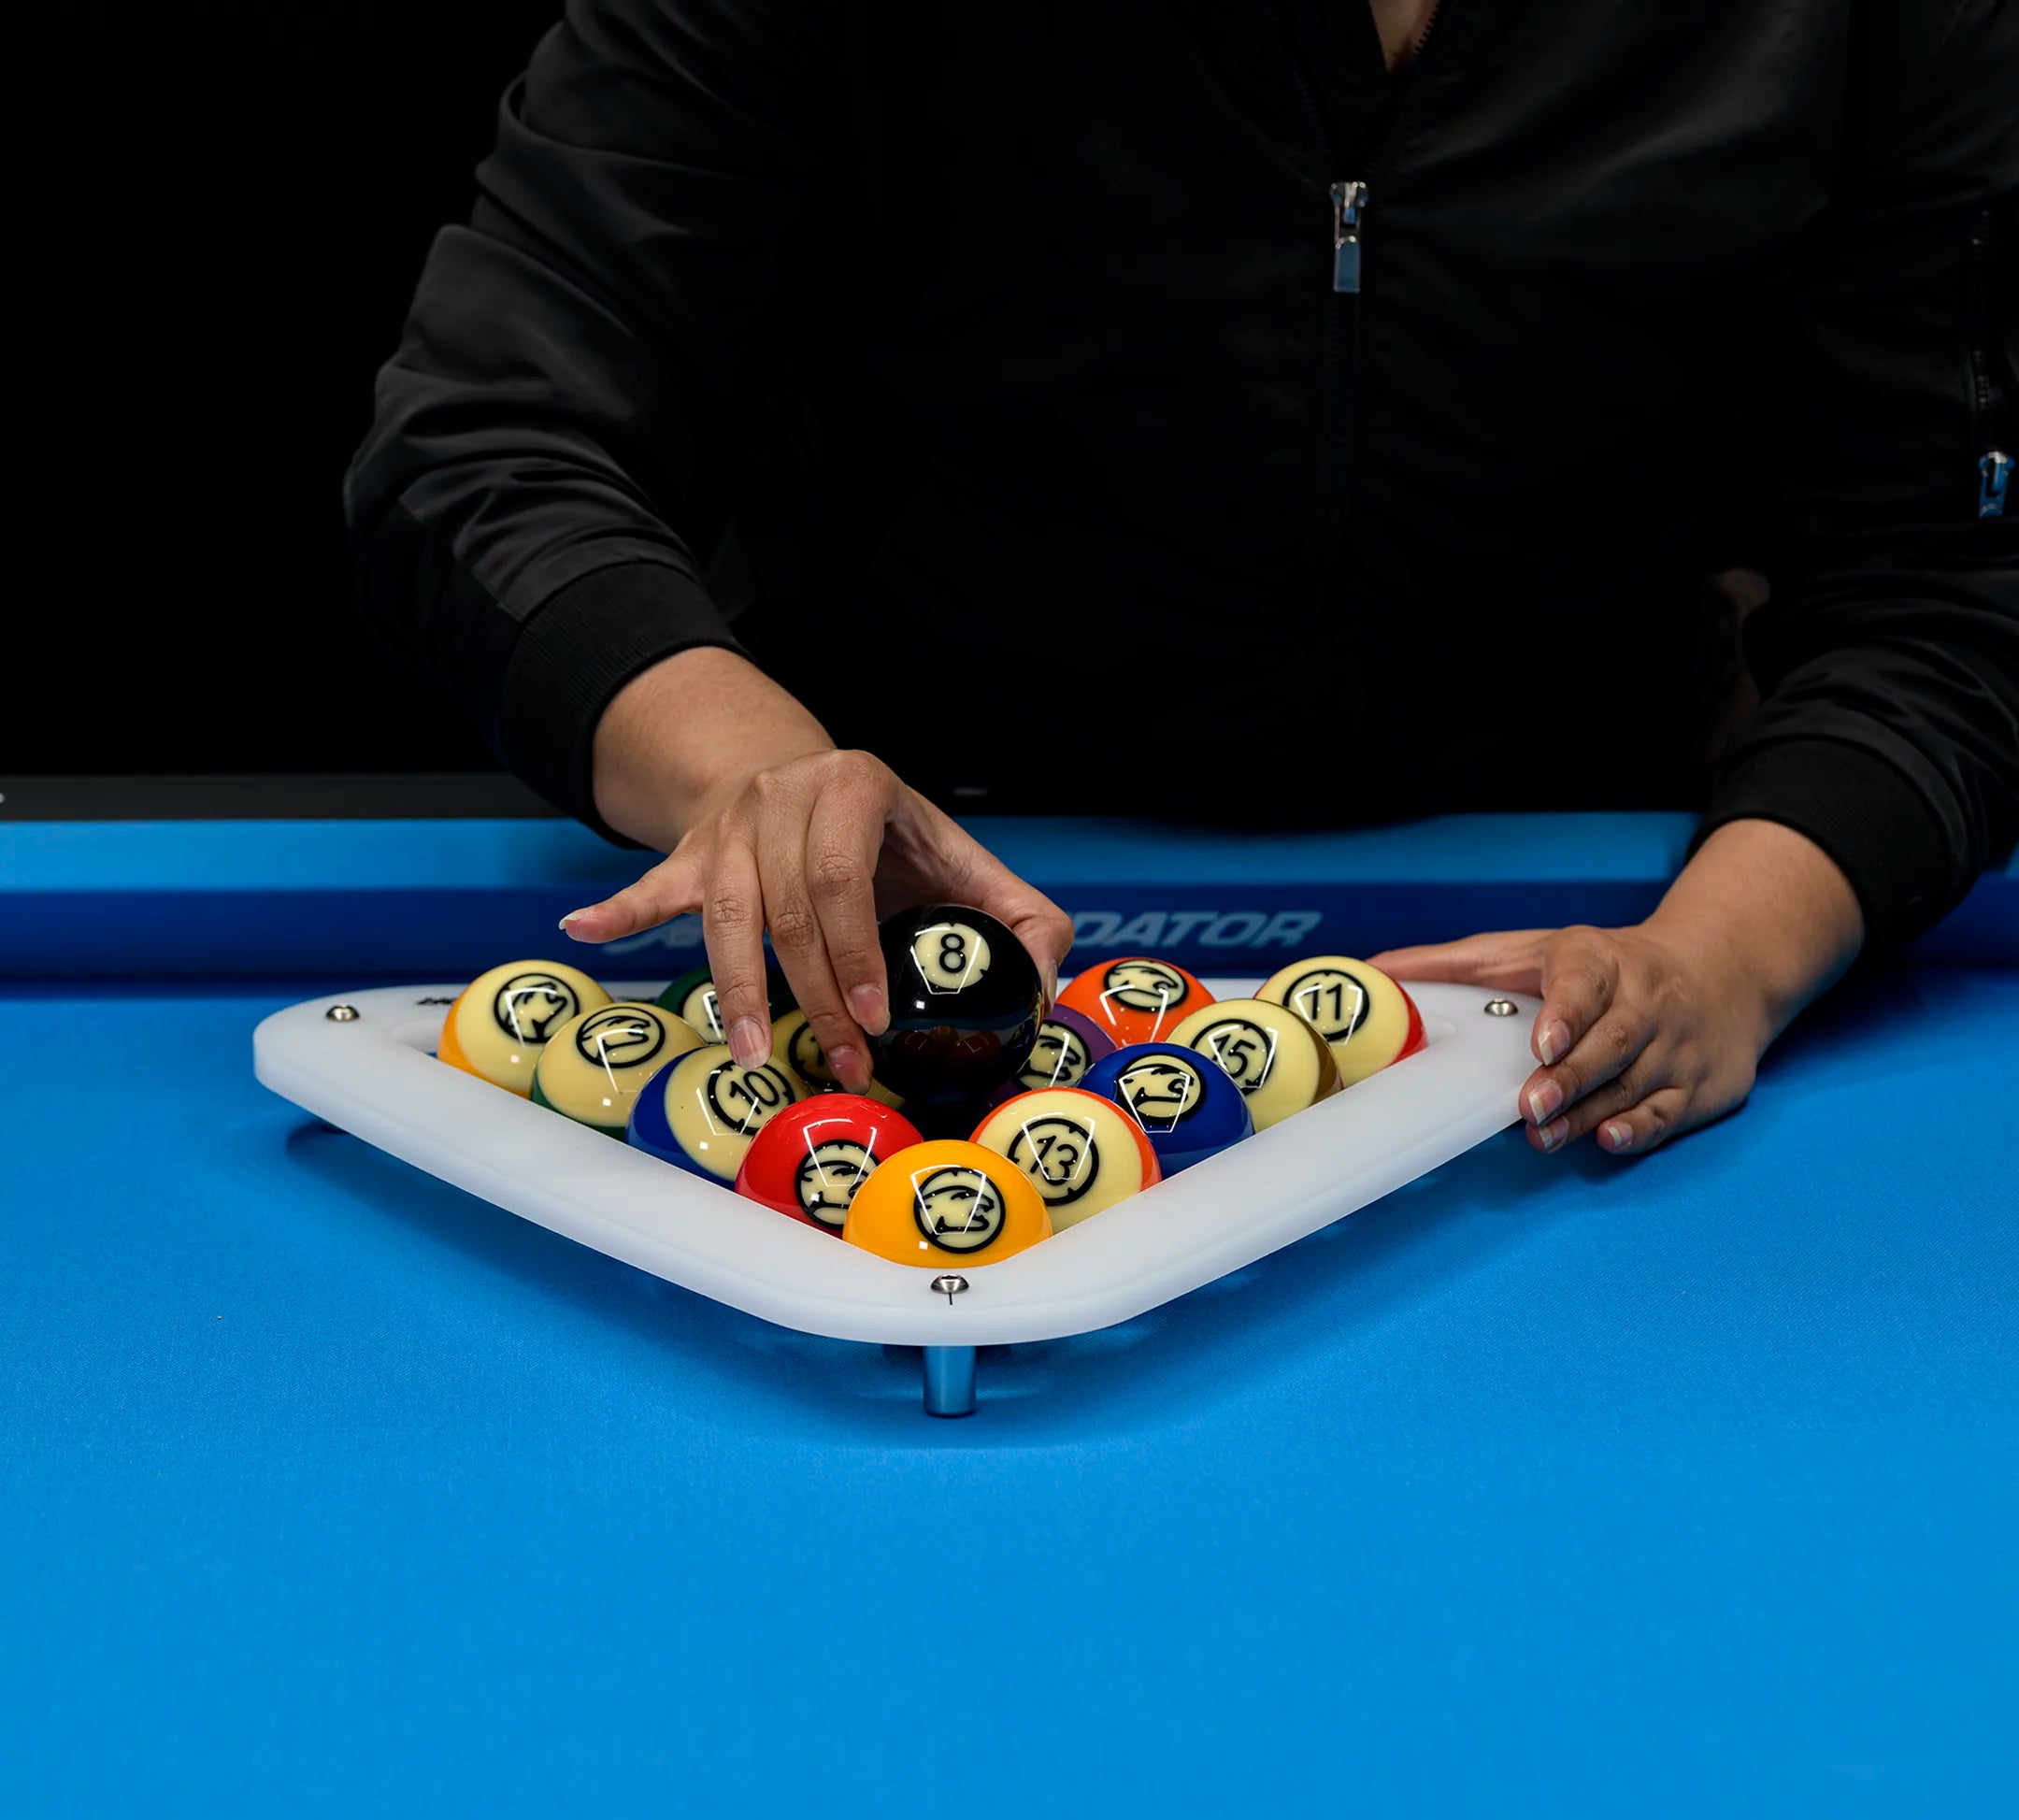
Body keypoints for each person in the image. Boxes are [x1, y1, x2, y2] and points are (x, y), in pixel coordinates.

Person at [348, 0, 2017, 1157]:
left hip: (1578, 889)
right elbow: (490, 439)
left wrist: (1723, 960)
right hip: (930, 893)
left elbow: (1949, 591)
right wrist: (756, 778)